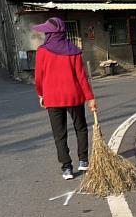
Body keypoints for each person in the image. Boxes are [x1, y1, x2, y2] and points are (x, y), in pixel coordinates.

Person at [33, 17, 96, 180]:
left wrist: (41, 94)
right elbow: (82, 77)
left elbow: (38, 77)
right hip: (74, 96)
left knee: (59, 134)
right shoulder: (73, 50)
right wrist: (90, 98)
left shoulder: (42, 51)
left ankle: (67, 168)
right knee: (80, 127)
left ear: (51, 34)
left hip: (52, 98)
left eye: (47, 32)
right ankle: (83, 160)